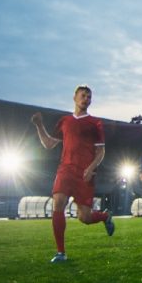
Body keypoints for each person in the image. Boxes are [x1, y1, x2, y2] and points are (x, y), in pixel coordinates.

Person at [31, 85, 114, 263]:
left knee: (84, 217)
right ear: (75, 97)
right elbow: (48, 144)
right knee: (58, 203)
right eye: (83, 95)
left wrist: (91, 168)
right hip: (65, 169)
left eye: (89, 97)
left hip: (85, 174)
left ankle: (105, 216)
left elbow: (101, 152)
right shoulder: (64, 121)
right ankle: (61, 253)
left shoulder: (95, 123)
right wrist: (39, 125)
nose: (86, 99)